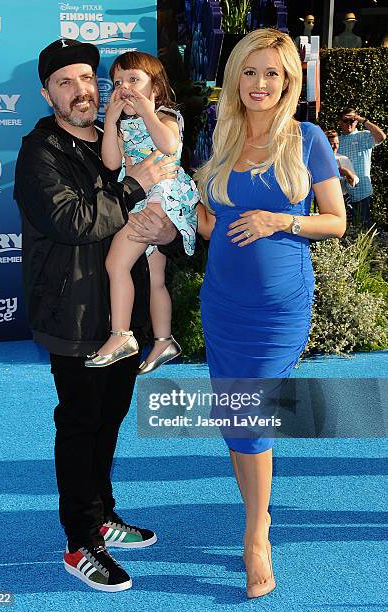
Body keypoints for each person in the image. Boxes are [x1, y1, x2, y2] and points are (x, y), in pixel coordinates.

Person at [14, 38, 181, 592]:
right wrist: (138, 184)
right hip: (72, 314)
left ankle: (103, 515)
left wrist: (170, 232)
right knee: (81, 424)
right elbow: (75, 221)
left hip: (121, 317)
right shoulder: (40, 152)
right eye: (65, 82)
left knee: (109, 419)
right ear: (47, 94)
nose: (81, 90)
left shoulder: (121, 134)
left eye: (87, 77)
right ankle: (80, 540)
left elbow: (162, 212)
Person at [195, 28, 346, 599]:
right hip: (222, 301)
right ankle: (257, 515)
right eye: (250, 72)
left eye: (272, 74)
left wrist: (279, 220)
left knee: (250, 415)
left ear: (289, 81)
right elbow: (211, 225)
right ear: (236, 76)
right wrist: (185, 218)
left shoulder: (308, 140)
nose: (260, 84)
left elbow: (336, 220)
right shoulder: (225, 138)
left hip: (278, 306)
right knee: (236, 417)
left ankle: (256, 534)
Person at [85, 51, 199, 373]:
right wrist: (109, 121)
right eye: (118, 82)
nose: (125, 88)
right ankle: (164, 340)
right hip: (140, 202)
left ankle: (121, 335)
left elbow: (168, 146)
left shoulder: (164, 117)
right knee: (155, 280)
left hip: (159, 203)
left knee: (115, 264)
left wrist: (147, 111)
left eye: (134, 80)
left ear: (156, 89)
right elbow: (110, 162)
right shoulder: (122, 126)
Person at [337, 107, 386, 226]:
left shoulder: (363, 136)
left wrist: (362, 120)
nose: (349, 123)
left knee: (364, 229)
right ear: (340, 122)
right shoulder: (337, 141)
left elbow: (381, 137)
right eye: (345, 120)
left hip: (363, 192)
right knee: (347, 228)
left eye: (352, 120)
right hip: (344, 192)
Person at [325, 129, 359, 221]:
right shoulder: (317, 160)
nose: (335, 146)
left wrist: (348, 173)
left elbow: (355, 180)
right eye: (332, 143)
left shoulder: (343, 159)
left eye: (337, 143)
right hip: (323, 199)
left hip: (341, 198)